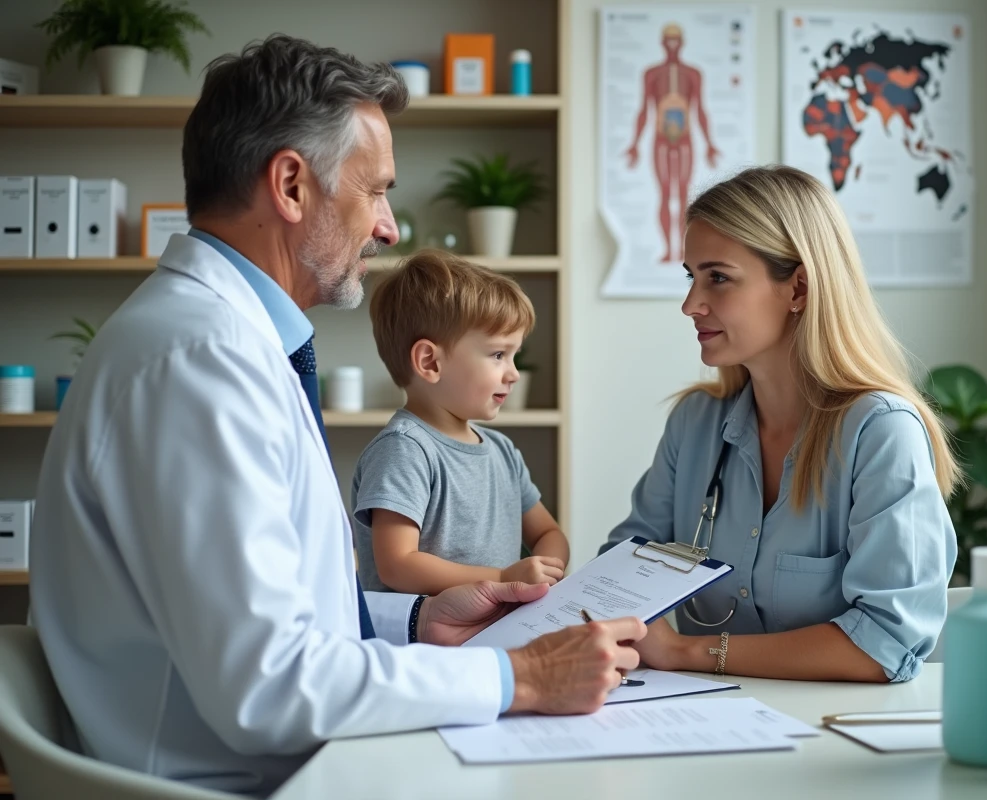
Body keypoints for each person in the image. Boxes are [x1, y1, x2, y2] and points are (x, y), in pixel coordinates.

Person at [29, 35, 643, 797]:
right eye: (376, 190)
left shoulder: (229, 345)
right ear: (291, 185)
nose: (387, 227)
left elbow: (276, 633)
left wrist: (417, 626)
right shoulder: (200, 361)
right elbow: (271, 690)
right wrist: (519, 675)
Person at [600, 165, 957, 684]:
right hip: (698, 724)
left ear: (798, 289)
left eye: (717, 277)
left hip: (832, 738)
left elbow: (885, 644)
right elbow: (625, 570)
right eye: (691, 277)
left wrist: (687, 653)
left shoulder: (880, 433)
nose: (690, 305)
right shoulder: (695, 423)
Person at [351, 250, 570, 596]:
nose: (513, 374)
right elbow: (397, 565)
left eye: (515, 356)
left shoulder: (503, 452)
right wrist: (503, 579)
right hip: (424, 647)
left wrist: (543, 573)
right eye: (499, 355)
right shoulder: (404, 451)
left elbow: (548, 533)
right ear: (430, 363)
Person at [625, 23, 720, 263]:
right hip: (660, 141)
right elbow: (643, 110)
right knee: (666, 193)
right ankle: (670, 249)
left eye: (676, 40)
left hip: (686, 141)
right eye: (668, 40)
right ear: (662, 42)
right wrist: (634, 143)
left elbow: (701, 110)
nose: (672, 45)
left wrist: (709, 143)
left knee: (685, 194)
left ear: (682, 42)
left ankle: (683, 251)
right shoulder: (651, 74)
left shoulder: (693, 74)